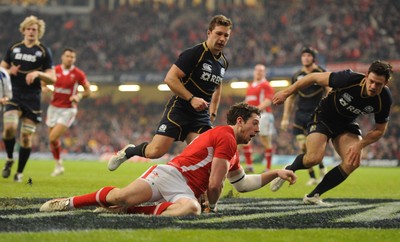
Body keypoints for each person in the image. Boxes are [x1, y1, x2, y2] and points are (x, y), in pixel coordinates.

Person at [39, 102, 297, 216]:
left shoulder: (232, 149)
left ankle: (131, 211)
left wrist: (276, 173)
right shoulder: (226, 137)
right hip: (169, 176)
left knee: (190, 208)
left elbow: (242, 184)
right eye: (254, 124)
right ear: (239, 122)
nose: (258, 130)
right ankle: (67, 203)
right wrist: (213, 207)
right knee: (119, 196)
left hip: (183, 189)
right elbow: (215, 186)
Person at [108, 15, 232, 171]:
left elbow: (217, 88)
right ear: (209, 33)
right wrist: (192, 98)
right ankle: (129, 151)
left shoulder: (223, 62)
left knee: (207, 153)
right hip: (180, 109)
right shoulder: (194, 53)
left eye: (226, 35)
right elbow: (170, 78)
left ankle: (198, 192)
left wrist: (212, 114)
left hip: (201, 116)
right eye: (218, 33)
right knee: (155, 152)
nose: (222, 38)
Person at [270, 60, 393, 206]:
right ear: (366, 77)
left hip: (346, 124)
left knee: (352, 161)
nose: (373, 86)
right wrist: (286, 92)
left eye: (378, 84)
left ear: (385, 84)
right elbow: (313, 77)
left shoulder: (384, 99)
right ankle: (290, 169)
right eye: (371, 81)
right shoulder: (349, 78)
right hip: (324, 116)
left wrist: (360, 145)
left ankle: (313, 195)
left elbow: (380, 130)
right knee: (313, 159)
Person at [1, 15, 56, 182]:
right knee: (9, 128)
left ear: (39, 32)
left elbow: (52, 78)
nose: (32, 32)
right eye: (29, 29)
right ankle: (10, 158)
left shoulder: (44, 51)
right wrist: (9, 72)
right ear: (23, 30)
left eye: (35, 29)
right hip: (13, 94)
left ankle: (19, 173)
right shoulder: (13, 48)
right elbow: (1, 70)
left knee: (26, 137)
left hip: (32, 98)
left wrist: (37, 73)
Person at [280, 47, 328, 186]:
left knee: (313, 147)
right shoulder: (297, 75)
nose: (305, 58)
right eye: (303, 56)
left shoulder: (321, 72)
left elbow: (329, 90)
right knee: (303, 148)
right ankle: (313, 176)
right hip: (300, 115)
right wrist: (285, 118)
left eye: (308, 55)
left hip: (316, 114)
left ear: (313, 58)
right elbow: (291, 97)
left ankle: (322, 168)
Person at [45, 48, 91, 176]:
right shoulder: (55, 70)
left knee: (53, 137)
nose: (69, 58)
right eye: (67, 56)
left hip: (68, 109)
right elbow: (44, 83)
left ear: (74, 59)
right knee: (53, 141)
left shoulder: (78, 74)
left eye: (72, 57)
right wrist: (45, 88)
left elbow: (88, 90)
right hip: (53, 108)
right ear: (62, 57)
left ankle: (59, 164)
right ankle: (59, 165)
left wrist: (79, 96)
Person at [242, 64, 275, 173]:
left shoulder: (266, 85)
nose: (258, 72)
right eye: (257, 70)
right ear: (254, 72)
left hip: (264, 115)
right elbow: (248, 101)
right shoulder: (250, 86)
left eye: (261, 71)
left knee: (265, 140)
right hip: (251, 116)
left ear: (264, 73)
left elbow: (267, 101)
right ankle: (249, 166)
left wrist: (255, 111)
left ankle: (268, 168)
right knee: (245, 138)